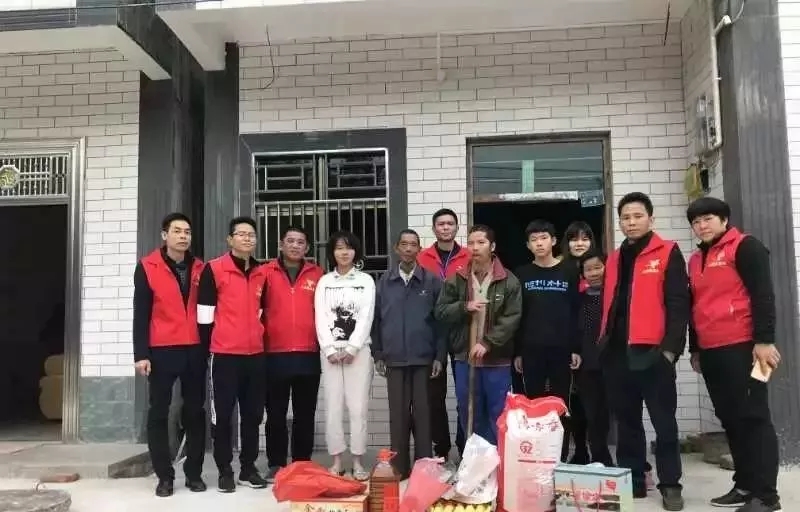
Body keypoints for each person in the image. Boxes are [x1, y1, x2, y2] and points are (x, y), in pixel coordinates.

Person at [686, 197, 781, 512]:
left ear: (724, 220)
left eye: (708, 219)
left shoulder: (746, 247)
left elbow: (763, 295)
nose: (702, 226)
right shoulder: (695, 260)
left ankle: (766, 496)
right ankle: (744, 485)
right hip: (712, 351)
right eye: (696, 222)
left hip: (748, 348)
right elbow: (695, 306)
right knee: (730, 419)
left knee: (755, 418)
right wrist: (696, 348)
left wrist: (764, 340)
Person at [599, 192, 688, 511]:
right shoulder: (614, 257)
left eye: (637, 216)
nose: (631, 222)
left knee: (664, 423)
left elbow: (678, 304)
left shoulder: (667, 251)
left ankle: (670, 484)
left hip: (653, 353)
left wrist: (670, 351)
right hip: (617, 353)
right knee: (627, 423)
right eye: (625, 217)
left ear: (651, 218)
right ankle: (634, 479)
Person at [133, 213, 207, 497]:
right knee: (159, 412)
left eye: (187, 232)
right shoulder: (147, 266)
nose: (183, 236)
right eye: (177, 231)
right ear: (165, 235)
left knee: (195, 411)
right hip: (162, 349)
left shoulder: (200, 267)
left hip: (195, 348)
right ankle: (164, 475)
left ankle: (194, 473)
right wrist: (141, 353)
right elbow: (141, 313)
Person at [197, 216, 269, 493]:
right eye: (241, 234)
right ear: (230, 239)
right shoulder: (214, 269)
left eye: (251, 234)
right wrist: (208, 351)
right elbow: (205, 316)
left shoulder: (261, 272)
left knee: (253, 415)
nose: (247, 238)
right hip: (224, 355)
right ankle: (225, 470)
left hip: (255, 355)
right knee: (223, 415)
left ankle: (248, 469)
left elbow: (261, 312)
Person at [435, 225, 521, 445]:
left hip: (497, 359)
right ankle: (473, 458)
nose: (475, 247)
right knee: (468, 411)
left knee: (498, 412)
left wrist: (488, 342)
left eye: (481, 243)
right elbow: (441, 311)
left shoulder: (508, 280)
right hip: (465, 357)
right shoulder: (457, 279)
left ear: (492, 246)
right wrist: (464, 306)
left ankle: (496, 458)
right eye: (471, 243)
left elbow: (512, 317)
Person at [372, 229, 445, 478]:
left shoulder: (431, 282)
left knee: (424, 415)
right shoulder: (384, 282)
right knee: (398, 415)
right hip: (394, 359)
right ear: (396, 248)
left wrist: (439, 356)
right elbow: (375, 321)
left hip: (423, 359)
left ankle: (423, 467)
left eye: (413, 244)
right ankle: (399, 467)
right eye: (404, 244)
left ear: (419, 249)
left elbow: (441, 323)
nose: (408, 249)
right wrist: (378, 354)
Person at [513, 220, 581, 461]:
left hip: (562, 349)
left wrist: (576, 348)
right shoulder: (522, 274)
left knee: (561, 403)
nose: (539, 243)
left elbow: (576, 311)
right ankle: (537, 456)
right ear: (528, 245)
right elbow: (518, 315)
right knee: (534, 403)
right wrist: (518, 351)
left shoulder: (569, 271)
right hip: (531, 349)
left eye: (543, 238)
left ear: (553, 241)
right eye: (534, 240)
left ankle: (559, 456)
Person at [262, 226, 324, 482]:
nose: (295, 245)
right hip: (274, 354)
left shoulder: (317, 274)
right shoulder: (265, 273)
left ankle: (302, 462)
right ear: (281, 244)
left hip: (308, 354)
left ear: (307, 247)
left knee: (304, 414)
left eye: (300, 242)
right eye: (290, 241)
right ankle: (276, 463)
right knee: (275, 414)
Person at [315, 231, 376, 481]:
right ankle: (337, 460)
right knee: (333, 407)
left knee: (358, 407)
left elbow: (366, 315)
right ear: (332, 252)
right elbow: (320, 316)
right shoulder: (324, 282)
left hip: (358, 352)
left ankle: (358, 461)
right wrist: (329, 349)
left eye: (348, 248)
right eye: (339, 248)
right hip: (330, 352)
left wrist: (352, 348)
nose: (344, 252)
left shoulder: (365, 280)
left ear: (355, 252)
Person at [417, 208, 470, 458]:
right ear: (434, 228)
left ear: (457, 227)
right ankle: (441, 450)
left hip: (462, 330)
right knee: (434, 396)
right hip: (431, 332)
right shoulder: (422, 257)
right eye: (441, 224)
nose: (446, 227)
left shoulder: (469, 256)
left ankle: (464, 447)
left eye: (450, 223)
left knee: (464, 394)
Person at [559, 221, 595, 464]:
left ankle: (598, 451)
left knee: (596, 402)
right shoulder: (561, 269)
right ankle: (579, 450)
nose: (579, 243)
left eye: (585, 238)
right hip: (569, 345)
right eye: (574, 239)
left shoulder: (600, 267)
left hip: (595, 345)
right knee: (573, 403)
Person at [575, 249, 613, 466]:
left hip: (613, 362)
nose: (594, 273)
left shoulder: (615, 297)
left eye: (598, 267)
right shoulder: (578, 300)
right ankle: (599, 457)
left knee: (614, 413)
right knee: (593, 415)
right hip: (587, 364)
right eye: (588, 269)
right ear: (583, 274)